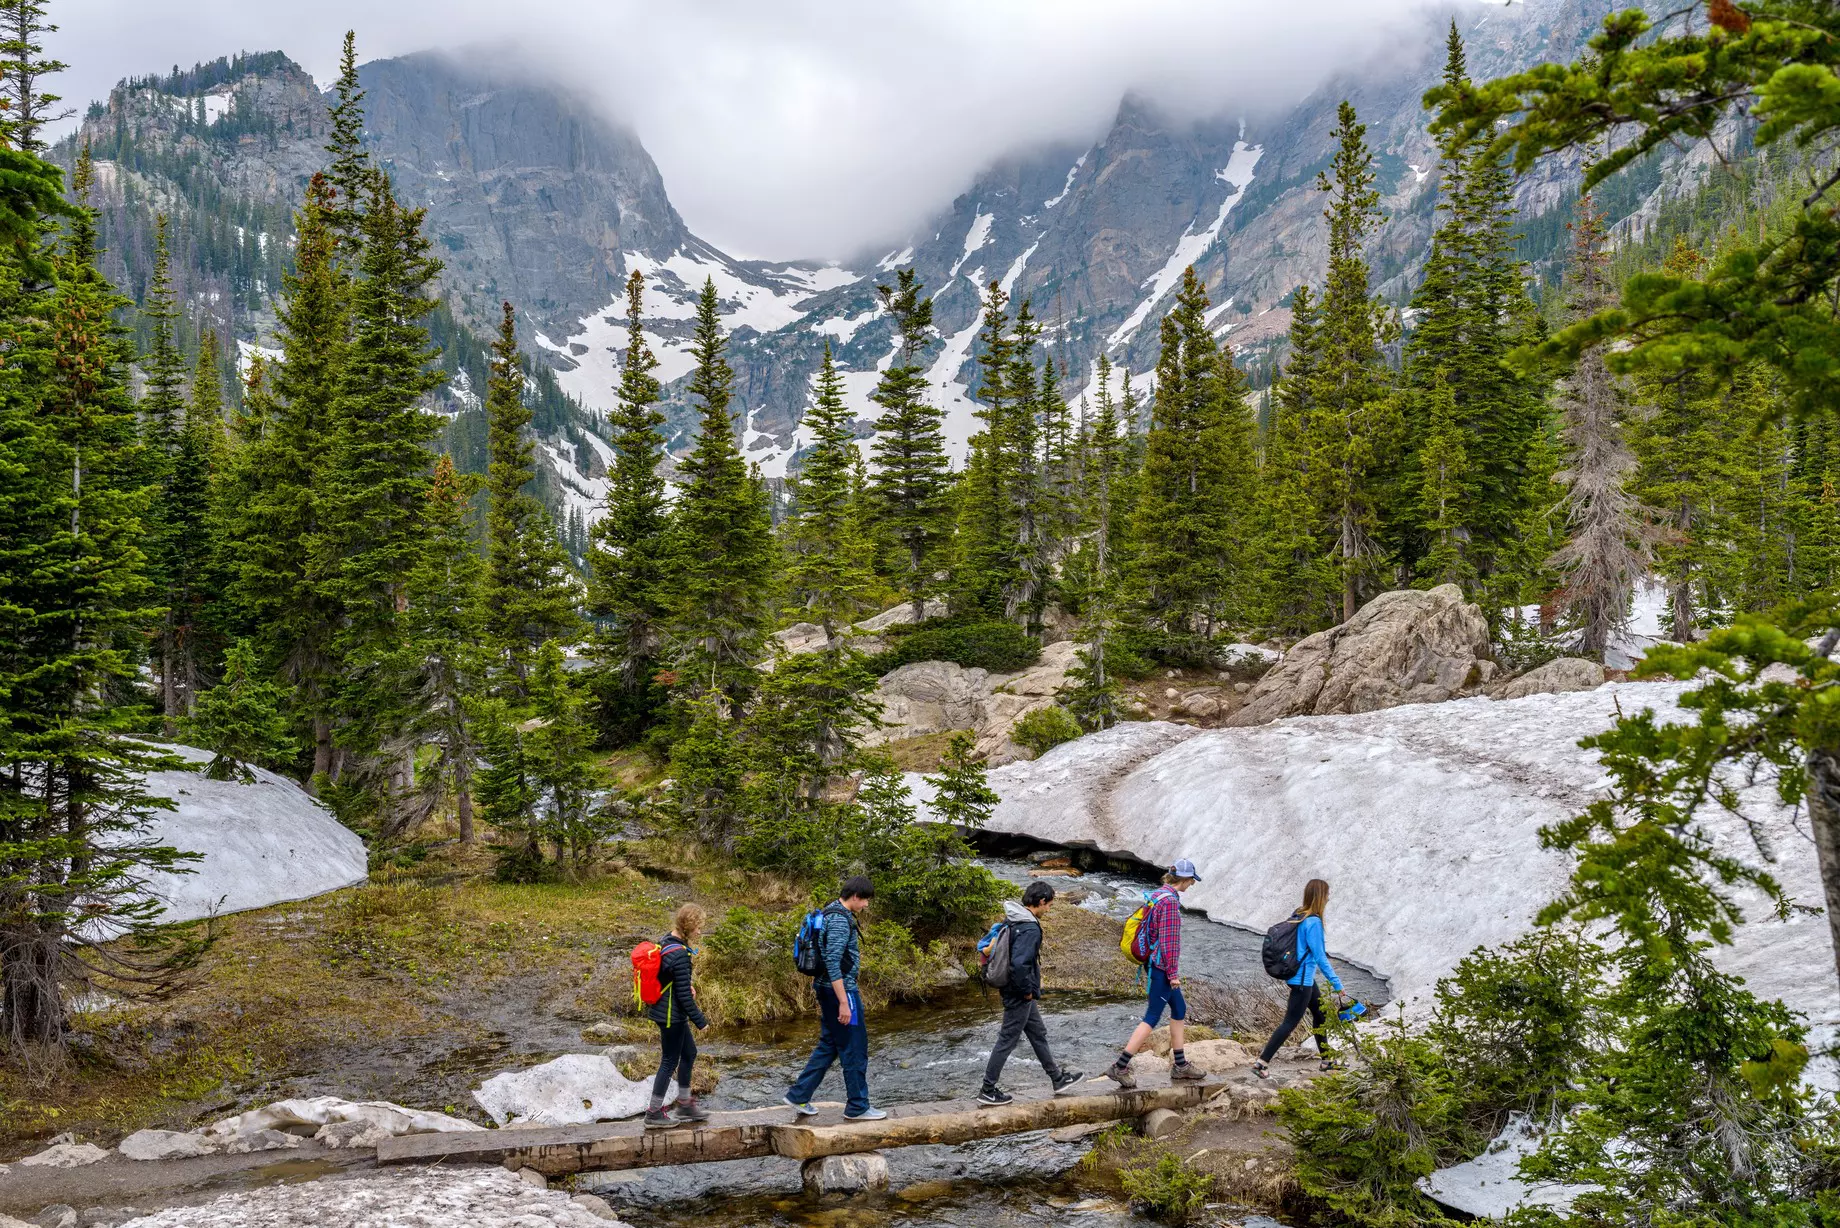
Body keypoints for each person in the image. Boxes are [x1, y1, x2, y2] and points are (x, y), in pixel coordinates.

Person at [783, 876, 887, 1120]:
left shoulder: (831, 910)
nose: (866, 906)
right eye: (865, 901)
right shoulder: (840, 920)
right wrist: (843, 1002)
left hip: (826, 989)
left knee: (829, 1044)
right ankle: (858, 1106)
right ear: (855, 897)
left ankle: (799, 1094)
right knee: (854, 1047)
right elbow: (832, 962)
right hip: (840, 991)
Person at [977, 881, 1085, 1106]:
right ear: (1042, 901)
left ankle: (1057, 1078)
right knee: (1007, 1039)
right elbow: (1019, 964)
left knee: (1037, 1033)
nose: (1049, 909)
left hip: (1014, 989)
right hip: (1019, 993)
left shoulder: (1015, 919)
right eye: (1050, 905)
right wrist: (1027, 992)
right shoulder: (1029, 927)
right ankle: (987, 1089)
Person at [1106, 859, 1208, 1087]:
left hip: (1153, 963)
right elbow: (1169, 943)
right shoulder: (1170, 903)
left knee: (1179, 1008)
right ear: (1184, 879)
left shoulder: (1158, 894)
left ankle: (1180, 1066)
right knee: (1152, 1017)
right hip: (1162, 968)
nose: (1192, 884)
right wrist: (1172, 974)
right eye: (1191, 880)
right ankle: (1120, 1066)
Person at [1252, 878, 1344, 1079]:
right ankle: (1262, 1063)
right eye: (1326, 894)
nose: (1328, 898)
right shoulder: (1314, 922)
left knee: (1320, 1015)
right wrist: (1337, 984)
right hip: (1302, 981)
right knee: (1290, 1022)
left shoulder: (1300, 915)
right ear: (1320, 896)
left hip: (1304, 979)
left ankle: (1326, 1061)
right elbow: (1320, 957)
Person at [644, 903, 710, 1129]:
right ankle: (653, 1113)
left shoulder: (667, 941)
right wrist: (701, 1021)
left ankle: (684, 1105)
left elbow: (674, 982)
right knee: (669, 1061)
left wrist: (684, 984)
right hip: (671, 1015)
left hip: (667, 1009)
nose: (699, 932)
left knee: (689, 1053)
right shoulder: (680, 954)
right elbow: (683, 995)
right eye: (698, 927)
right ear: (689, 926)